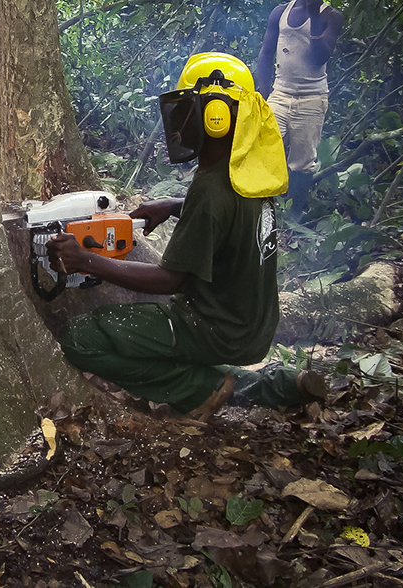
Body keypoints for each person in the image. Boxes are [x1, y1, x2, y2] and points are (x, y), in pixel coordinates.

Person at [46, 53, 325, 421]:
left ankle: (196, 390)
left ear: (215, 118)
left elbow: (169, 280)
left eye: (186, 107)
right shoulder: (247, 174)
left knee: (82, 338)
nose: (179, 119)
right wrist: (175, 204)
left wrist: (85, 260)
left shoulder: (211, 191)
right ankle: (279, 386)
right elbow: (227, 217)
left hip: (212, 327)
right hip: (253, 324)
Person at [255, 0, 344, 212]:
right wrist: (264, 90)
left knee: (302, 162)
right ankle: (260, 206)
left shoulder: (331, 16)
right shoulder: (280, 13)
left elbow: (320, 57)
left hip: (312, 98)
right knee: (262, 147)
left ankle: (293, 219)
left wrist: (314, 12)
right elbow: (265, 52)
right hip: (280, 94)